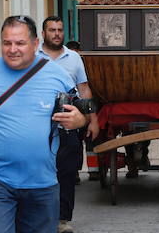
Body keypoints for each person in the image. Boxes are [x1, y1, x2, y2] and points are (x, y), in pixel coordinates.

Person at [0, 15, 90, 233]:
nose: (13, 49)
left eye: (20, 43)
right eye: (7, 43)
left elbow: (79, 111)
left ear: (35, 44)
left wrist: (80, 120)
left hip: (42, 180)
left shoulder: (57, 75)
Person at [38, 16, 100, 233]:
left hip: (68, 121)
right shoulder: (32, 56)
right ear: (43, 33)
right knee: (40, 169)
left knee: (66, 171)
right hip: (38, 124)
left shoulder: (73, 57)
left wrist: (93, 120)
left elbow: (84, 90)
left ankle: (62, 219)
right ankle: (40, 215)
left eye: (60, 30)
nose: (56, 33)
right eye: (52, 30)